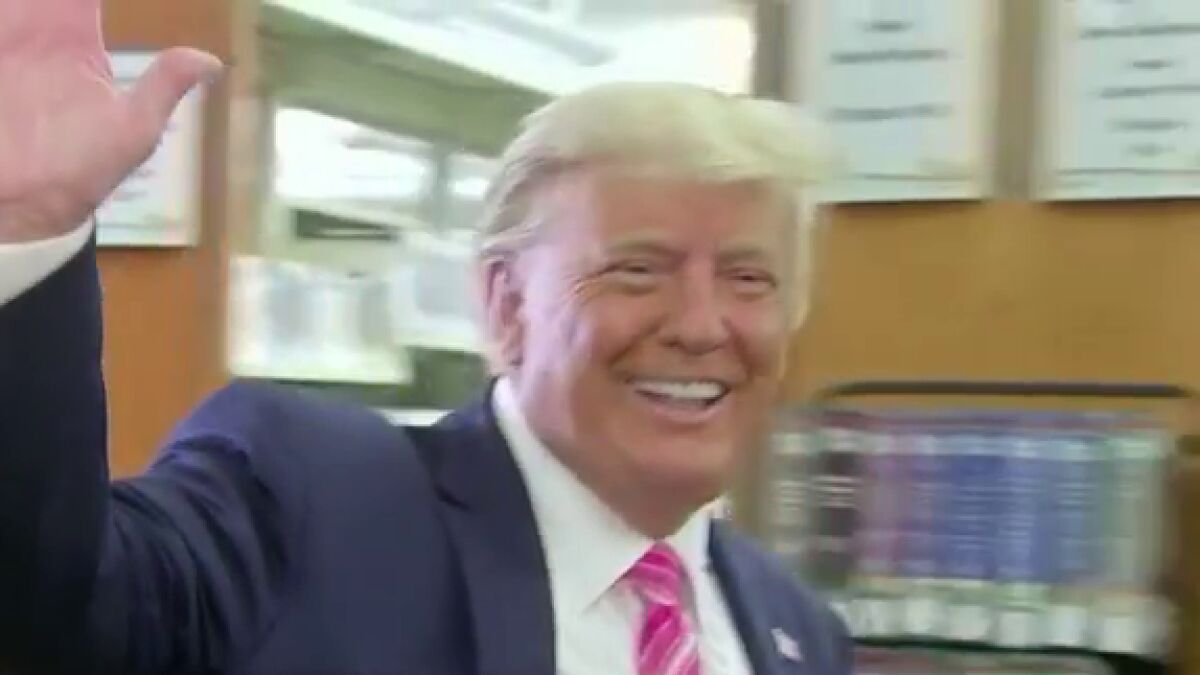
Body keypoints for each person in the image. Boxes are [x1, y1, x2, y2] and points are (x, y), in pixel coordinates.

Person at [0, 1, 849, 674]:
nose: (701, 325)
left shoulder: (794, 626)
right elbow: (49, 615)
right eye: (638, 271)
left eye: (749, 279)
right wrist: (28, 231)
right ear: (506, 303)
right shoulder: (315, 503)